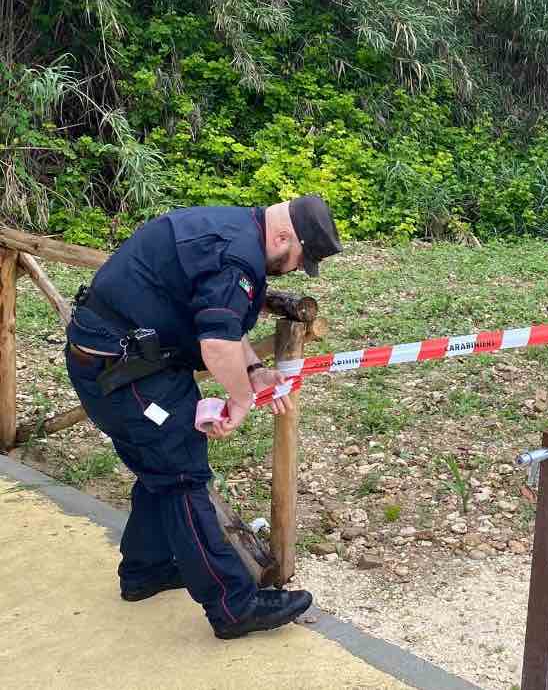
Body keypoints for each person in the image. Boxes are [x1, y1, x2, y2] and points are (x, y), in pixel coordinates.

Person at [64, 196, 342, 639]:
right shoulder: (239, 258)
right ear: (285, 237)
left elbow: (223, 327)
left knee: (158, 469)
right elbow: (215, 347)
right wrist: (241, 401)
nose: (291, 270)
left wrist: (252, 370)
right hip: (129, 375)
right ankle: (234, 606)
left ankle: (145, 571)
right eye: (298, 259)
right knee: (182, 476)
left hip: (112, 364)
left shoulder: (231, 227)